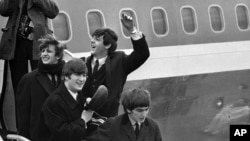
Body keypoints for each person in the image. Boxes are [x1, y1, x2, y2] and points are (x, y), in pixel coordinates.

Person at [80, 12, 150, 118]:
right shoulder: (83, 62)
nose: (92, 41)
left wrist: (132, 30)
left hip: (108, 120)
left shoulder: (119, 61)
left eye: (97, 39)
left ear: (107, 45)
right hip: (83, 119)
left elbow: (142, 54)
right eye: (92, 38)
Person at [0, 0, 59, 93]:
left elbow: (53, 12)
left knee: (42, 84)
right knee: (19, 85)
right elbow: (3, 10)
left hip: (39, 43)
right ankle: (21, 106)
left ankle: (41, 106)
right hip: (17, 43)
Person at [16, 35, 65, 141]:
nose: (44, 54)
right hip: (39, 136)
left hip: (63, 134)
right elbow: (23, 114)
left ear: (57, 56)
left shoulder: (68, 76)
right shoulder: (28, 79)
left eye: (48, 51)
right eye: (43, 51)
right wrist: (23, 137)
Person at [37, 58, 94, 141]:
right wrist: (83, 120)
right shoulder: (54, 102)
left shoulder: (78, 94)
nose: (82, 79)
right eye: (78, 74)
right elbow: (63, 134)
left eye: (84, 75)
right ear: (66, 76)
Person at [83, 87, 162, 141]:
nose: (144, 114)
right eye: (139, 110)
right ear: (128, 109)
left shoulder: (153, 126)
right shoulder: (113, 124)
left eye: (146, 109)